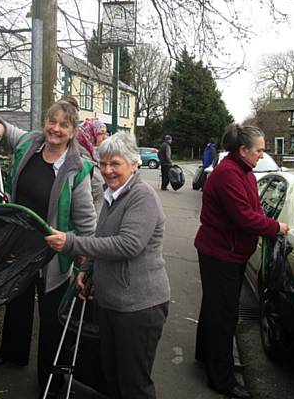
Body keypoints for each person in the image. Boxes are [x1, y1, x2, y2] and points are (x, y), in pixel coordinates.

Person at [45, 132, 170, 399]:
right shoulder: (112, 193)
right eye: (102, 163)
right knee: (112, 375)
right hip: (111, 301)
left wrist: (71, 243)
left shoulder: (142, 197)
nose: (107, 170)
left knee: (134, 383)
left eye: (115, 163)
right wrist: (88, 269)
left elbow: (127, 245)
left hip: (139, 307)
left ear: (134, 163)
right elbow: (102, 236)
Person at [0, 100, 98, 397]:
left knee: (51, 318)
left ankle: (50, 378)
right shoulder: (32, 143)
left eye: (64, 125)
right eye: (52, 121)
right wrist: (0, 126)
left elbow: (86, 221)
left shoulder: (77, 168)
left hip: (52, 253)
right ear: (45, 122)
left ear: (73, 131)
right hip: (18, 245)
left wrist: (87, 263)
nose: (55, 129)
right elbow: (12, 133)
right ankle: (12, 353)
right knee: (16, 300)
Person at [194, 124, 289, 399]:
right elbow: (244, 217)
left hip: (228, 252)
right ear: (243, 149)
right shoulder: (228, 174)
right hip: (220, 254)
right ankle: (221, 379)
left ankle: (208, 357)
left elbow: (254, 208)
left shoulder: (243, 172)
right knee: (223, 316)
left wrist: (266, 221)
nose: (262, 154)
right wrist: (276, 227)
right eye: (259, 150)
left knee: (214, 308)